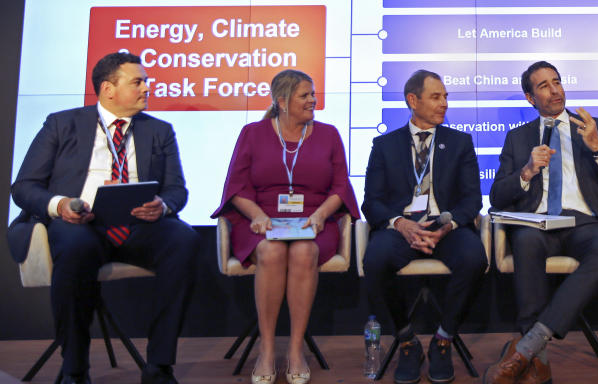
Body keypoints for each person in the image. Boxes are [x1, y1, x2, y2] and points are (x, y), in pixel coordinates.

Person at [7, 52, 199, 384]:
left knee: (184, 240)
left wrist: (163, 206)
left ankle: (159, 366)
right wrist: (61, 204)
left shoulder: (159, 130)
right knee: (74, 247)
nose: (146, 88)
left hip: (138, 226)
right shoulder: (62, 123)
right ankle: (75, 368)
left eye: (146, 81)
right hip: (80, 225)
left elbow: (176, 190)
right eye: (138, 81)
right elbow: (24, 187)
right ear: (108, 89)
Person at [213, 69, 359, 384]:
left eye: (313, 94)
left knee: (305, 251)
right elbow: (236, 188)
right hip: (261, 218)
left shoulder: (329, 134)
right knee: (271, 250)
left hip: (313, 218)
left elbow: (340, 189)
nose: (313, 100)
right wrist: (256, 215)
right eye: (305, 95)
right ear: (282, 101)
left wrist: (321, 215)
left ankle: (295, 349)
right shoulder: (252, 133)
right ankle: (266, 350)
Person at [484, 61, 598, 384]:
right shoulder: (518, 138)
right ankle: (539, 359)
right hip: (539, 222)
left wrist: (597, 149)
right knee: (526, 242)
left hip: (584, 222)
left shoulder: (594, 126)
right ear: (530, 98)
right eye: (544, 85)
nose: (555, 89)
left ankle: (527, 347)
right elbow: (496, 196)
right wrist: (527, 171)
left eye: (557, 82)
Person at [362, 69, 487, 384]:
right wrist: (401, 224)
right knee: (375, 261)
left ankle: (443, 339)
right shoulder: (384, 145)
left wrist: (446, 226)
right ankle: (406, 341)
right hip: (401, 229)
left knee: (475, 259)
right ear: (412, 100)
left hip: (445, 228)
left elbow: (472, 200)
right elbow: (372, 202)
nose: (444, 103)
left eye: (446, 96)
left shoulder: (460, 143)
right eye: (436, 96)